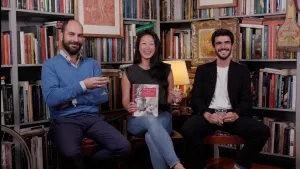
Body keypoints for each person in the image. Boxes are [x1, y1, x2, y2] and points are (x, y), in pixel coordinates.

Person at [41, 19, 131, 169]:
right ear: (61, 35)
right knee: (70, 153)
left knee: (124, 147)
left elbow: (102, 96)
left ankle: (89, 165)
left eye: (80, 35)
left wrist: (71, 101)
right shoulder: (50, 65)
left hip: (92, 118)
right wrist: (84, 85)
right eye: (71, 34)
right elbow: (52, 99)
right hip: (65, 120)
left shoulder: (92, 64)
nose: (76, 40)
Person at [181, 29, 270, 169]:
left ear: (232, 46)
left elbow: (247, 101)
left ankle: (240, 166)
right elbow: (196, 99)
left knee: (263, 131)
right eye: (219, 43)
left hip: (231, 115)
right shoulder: (203, 70)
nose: (223, 46)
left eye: (227, 43)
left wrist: (235, 114)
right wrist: (207, 115)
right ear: (214, 47)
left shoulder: (242, 70)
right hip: (210, 115)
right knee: (188, 129)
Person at [121, 30, 185, 169]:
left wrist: (175, 98)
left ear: (156, 48)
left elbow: (169, 98)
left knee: (151, 136)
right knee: (150, 119)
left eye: (151, 44)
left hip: (163, 116)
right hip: (138, 119)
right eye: (144, 43)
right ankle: (176, 164)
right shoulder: (129, 72)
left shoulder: (166, 69)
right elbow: (125, 100)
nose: (147, 47)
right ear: (138, 47)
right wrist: (128, 106)